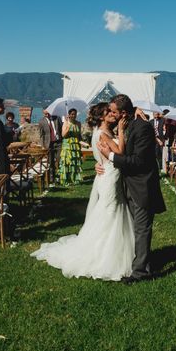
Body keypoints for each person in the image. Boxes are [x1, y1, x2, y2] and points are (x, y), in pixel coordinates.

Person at [31, 103, 135, 281]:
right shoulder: (103, 133)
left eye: (112, 112)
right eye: (108, 112)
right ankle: (105, 257)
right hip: (109, 176)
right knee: (109, 213)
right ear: (102, 117)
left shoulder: (102, 132)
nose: (112, 114)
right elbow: (120, 152)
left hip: (108, 175)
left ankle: (113, 252)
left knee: (108, 212)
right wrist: (120, 131)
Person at [97, 94, 166, 284]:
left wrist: (110, 157)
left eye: (113, 111)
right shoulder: (124, 124)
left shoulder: (142, 128)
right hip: (127, 184)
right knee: (135, 228)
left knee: (142, 229)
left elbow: (139, 161)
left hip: (141, 186)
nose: (110, 114)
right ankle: (139, 261)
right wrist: (102, 162)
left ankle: (141, 272)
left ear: (123, 113)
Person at [58, 108, 83, 186]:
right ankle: (66, 180)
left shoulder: (78, 123)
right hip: (67, 146)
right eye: (72, 114)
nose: (73, 116)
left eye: (74, 114)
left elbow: (79, 136)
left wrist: (83, 143)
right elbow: (63, 135)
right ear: (69, 115)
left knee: (74, 163)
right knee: (66, 162)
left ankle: (74, 179)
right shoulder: (66, 123)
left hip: (75, 146)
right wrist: (68, 127)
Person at [39, 109, 62, 184]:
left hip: (58, 142)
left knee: (59, 160)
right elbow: (41, 135)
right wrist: (43, 146)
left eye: (48, 113)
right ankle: (52, 178)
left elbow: (61, 128)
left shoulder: (57, 118)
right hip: (49, 144)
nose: (47, 115)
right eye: (45, 114)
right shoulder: (41, 121)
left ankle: (60, 177)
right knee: (50, 162)